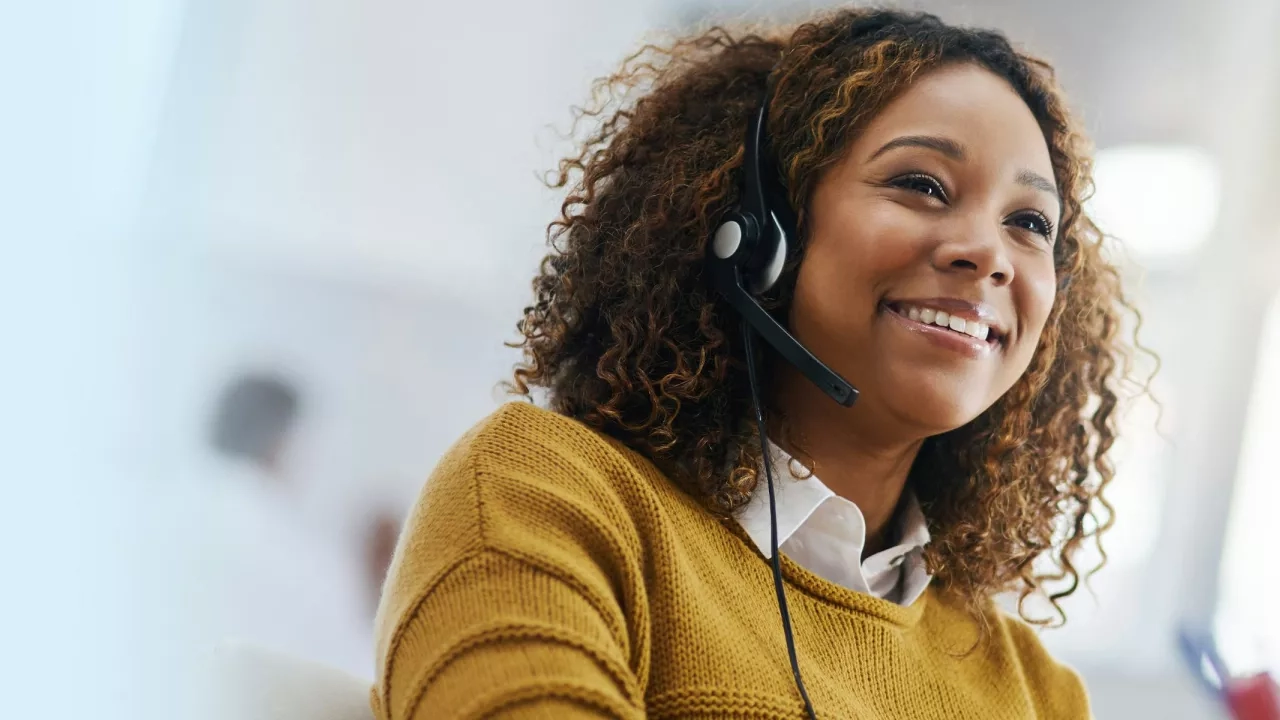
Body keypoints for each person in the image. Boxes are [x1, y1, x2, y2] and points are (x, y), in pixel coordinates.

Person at [372, 9, 1141, 719]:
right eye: (920, 185)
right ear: (756, 232)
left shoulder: (1036, 690)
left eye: (1029, 223)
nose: (987, 253)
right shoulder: (546, 494)